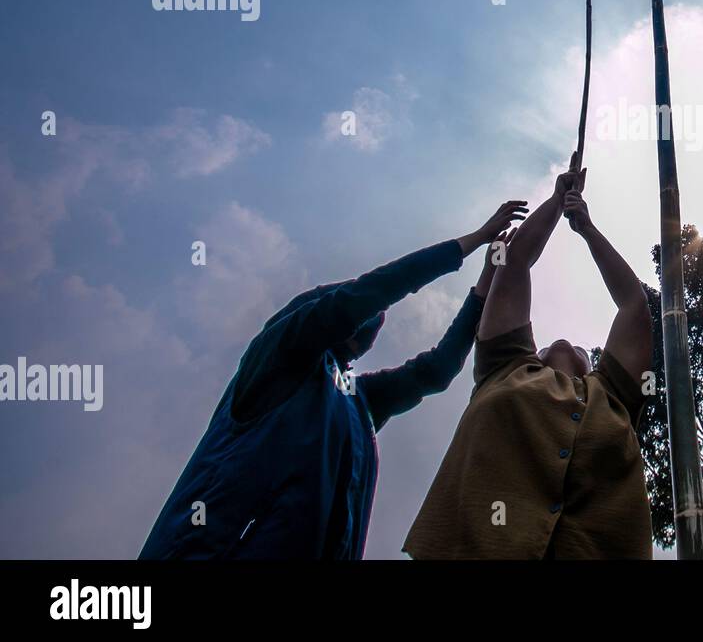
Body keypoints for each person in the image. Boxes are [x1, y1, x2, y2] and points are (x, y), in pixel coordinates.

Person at [139, 201, 527, 559]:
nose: (374, 320)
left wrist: (484, 284)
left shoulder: (357, 401)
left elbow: (435, 371)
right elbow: (362, 296)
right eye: (362, 313)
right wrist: (472, 241)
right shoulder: (278, 356)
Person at [403, 156, 654, 559]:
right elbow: (515, 261)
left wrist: (587, 228)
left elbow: (633, 305)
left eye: (580, 350)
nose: (563, 341)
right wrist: (557, 202)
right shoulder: (504, 365)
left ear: (594, 366)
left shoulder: (615, 397)